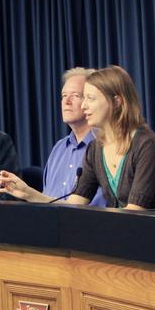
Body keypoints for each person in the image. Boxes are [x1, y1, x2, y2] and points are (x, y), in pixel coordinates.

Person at [0, 65, 155, 210]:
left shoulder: (147, 145)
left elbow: (135, 213)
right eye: (83, 98)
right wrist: (28, 193)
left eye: (90, 98)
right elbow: (74, 207)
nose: (84, 106)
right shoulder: (96, 149)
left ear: (117, 102)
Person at [41, 68, 105, 206]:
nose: (67, 101)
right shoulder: (58, 148)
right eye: (64, 96)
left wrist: (28, 193)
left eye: (75, 95)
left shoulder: (105, 147)